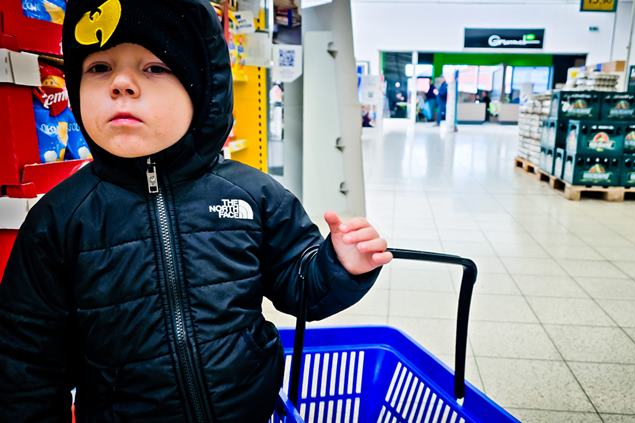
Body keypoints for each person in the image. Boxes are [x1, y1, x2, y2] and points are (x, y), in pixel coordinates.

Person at [0, 1, 391, 422]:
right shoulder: (58, 219)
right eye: (99, 68)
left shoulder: (252, 194)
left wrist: (337, 266)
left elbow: (300, 284)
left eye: (154, 67)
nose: (122, 84)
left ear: (203, 88)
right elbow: (27, 361)